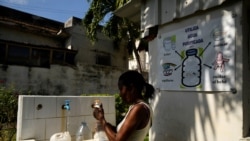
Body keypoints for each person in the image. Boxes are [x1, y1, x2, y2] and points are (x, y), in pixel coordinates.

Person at [93, 70, 155, 141]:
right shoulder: (143, 107)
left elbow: (117, 139)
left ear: (131, 88)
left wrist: (102, 119)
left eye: (121, 89)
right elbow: (120, 132)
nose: (120, 94)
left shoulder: (139, 109)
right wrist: (102, 120)